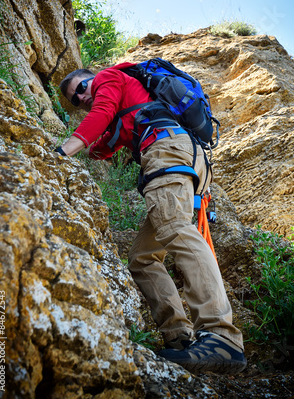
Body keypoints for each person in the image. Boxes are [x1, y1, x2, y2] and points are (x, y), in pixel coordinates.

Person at [56, 62, 247, 375]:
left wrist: (61, 152)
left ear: (94, 76)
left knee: (176, 230)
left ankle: (221, 335)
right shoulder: (130, 107)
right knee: (142, 259)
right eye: (75, 101)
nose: (81, 98)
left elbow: (100, 114)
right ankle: (180, 338)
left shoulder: (110, 77)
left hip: (166, 149)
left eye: (81, 88)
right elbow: (104, 145)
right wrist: (95, 145)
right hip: (182, 154)